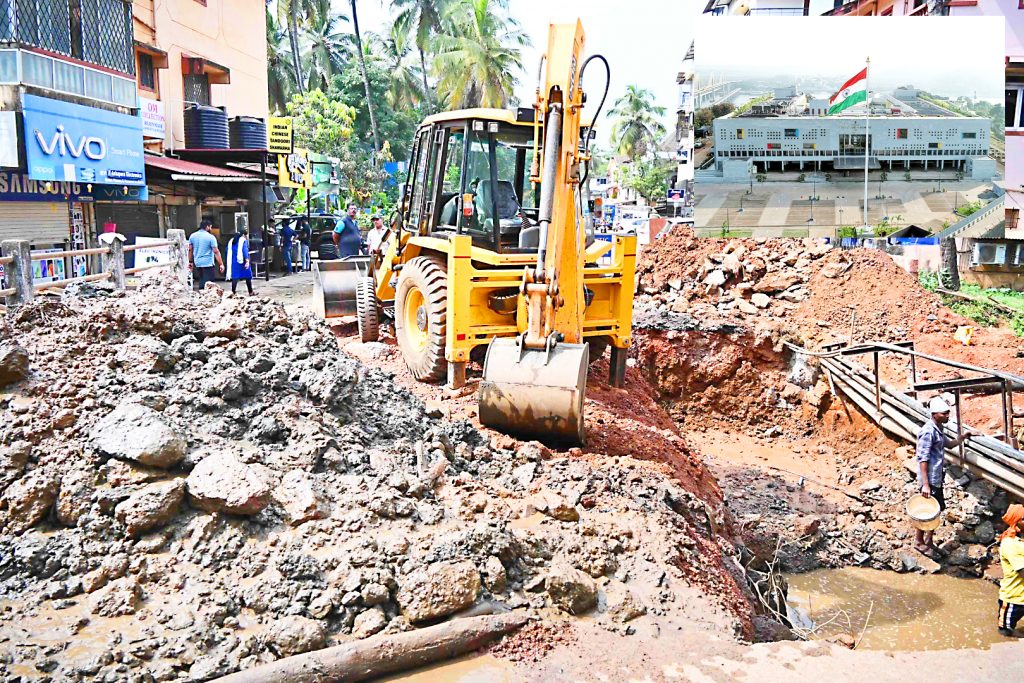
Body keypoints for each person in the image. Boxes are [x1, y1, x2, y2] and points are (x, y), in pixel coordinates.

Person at [915, 396, 979, 558]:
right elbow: (922, 459)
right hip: (929, 480)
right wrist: (925, 484)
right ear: (934, 414)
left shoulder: (938, 428)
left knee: (936, 510)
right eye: (944, 413)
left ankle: (928, 540)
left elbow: (949, 444)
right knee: (927, 511)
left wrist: (964, 436)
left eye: (947, 413)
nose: (947, 416)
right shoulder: (928, 432)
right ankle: (919, 541)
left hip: (936, 477)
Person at [997, 504, 1024, 637]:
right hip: (1014, 599)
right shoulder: (1011, 544)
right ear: (1016, 522)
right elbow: (1022, 572)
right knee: (1005, 631)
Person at [188, 219, 224, 290]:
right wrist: (221, 264)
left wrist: (190, 261)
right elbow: (216, 251)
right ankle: (206, 294)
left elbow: (190, 250)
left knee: (201, 280)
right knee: (209, 283)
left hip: (198, 262)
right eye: (210, 227)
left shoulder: (192, 236)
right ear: (207, 227)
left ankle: (201, 293)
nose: (211, 229)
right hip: (208, 263)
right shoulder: (211, 237)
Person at [226, 226, 254, 295]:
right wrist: (247, 261)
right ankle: (250, 292)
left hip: (234, 261)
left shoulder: (232, 240)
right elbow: (245, 251)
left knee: (235, 277)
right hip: (242, 261)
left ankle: (233, 292)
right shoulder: (243, 240)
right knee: (248, 276)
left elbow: (227, 250)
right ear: (244, 235)